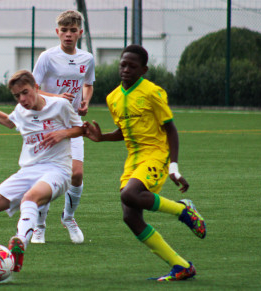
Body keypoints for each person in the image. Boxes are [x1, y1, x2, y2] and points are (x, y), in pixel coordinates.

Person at [83, 44, 206, 281]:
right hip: (134, 159)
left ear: (144, 70)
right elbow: (124, 131)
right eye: (123, 64)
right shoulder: (113, 97)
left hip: (156, 154)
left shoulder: (153, 92)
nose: (126, 69)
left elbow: (170, 129)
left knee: (129, 194)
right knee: (130, 217)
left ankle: (183, 209)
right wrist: (101, 138)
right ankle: (181, 265)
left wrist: (173, 167)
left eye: (132, 66)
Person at [0, 70, 84, 276]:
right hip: (28, 171)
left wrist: (63, 133)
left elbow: (82, 129)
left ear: (37, 88)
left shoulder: (60, 106)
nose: (22, 99)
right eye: (17, 96)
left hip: (57, 170)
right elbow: (8, 121)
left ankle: (19, 245)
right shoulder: (21, 110)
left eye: (25, 92)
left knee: (30, 198)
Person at [30, 10, 95, 244]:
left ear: (80, 32)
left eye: (72, 30)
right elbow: (34, 89)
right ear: (58, 32)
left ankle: (68, 218)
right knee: (47, 176)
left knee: (76, 174)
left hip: (73, 122)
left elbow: (88, 83)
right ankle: (39, 226)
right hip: (47, 123)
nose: (68, 35)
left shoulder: (87, 58)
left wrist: (85, 99)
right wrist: (56, 98)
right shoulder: (47, 57)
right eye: (64, 31)